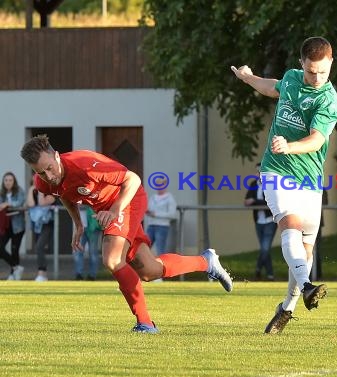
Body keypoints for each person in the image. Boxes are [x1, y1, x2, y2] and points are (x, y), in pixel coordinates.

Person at [20, 135, 233, 333]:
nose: (48, 176)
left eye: (49, 168)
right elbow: (63, 193)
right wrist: (78, 224)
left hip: (128, 199)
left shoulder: (85, 164)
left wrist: (115, 210)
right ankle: (206, 262)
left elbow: (133, 180)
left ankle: (145, 323)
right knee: (149, 270)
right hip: (109, 210)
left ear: (57, 156)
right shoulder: (44, 182)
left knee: (112, 259)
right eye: (41, 173)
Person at [231, 36, 337, 334]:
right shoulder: (292, 79)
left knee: (305, 251)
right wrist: (247, 77)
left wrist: (289, 146)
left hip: (309, 178)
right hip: (276, 171)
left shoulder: (329, 101)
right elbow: (271, 87)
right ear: (301, 63)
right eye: (311, 71)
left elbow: (317, 139)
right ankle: (307, 285)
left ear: (331, 63)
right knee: (290, 226)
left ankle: (288, 307)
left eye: (322, 71)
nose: (316, 77)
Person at [244, 162, 277, 281]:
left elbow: (271, 203)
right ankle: (270, 274)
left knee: (265, 248)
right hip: (258, 221)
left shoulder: (271, 185)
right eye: (257, 171)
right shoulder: (253, 184)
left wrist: (255, 201)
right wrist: (254, 201)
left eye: (260, 171)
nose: (258, 174)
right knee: (265, 249)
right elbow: (246, 202)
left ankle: (258, 269)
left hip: (270, 221)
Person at [27, 180, 56, 282]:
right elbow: (30, 204)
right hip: (36, 224)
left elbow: (41, 202)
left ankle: (41, 273)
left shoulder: (51, 193)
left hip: (47, 223)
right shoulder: (33, 191)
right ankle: (43, 274)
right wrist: (31, 190)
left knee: (39, 246)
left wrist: (40, 190)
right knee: (38, 248)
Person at [0, 172, 26, 281]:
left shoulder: (19, 191)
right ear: (3, 182)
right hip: (5, 226)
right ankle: (16, 267)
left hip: (17, 226)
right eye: (6, 180)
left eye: (10, 180)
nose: (8, 182)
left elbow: (20, 204)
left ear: (14, 181)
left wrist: (7, 204)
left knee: (14, 250)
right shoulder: (2, 193)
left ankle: (13, 274)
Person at [146, 183, 178, 257]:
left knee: (160, 248)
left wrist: (156, 214)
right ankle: (143, 265)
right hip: (151, 225)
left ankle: (162, 265)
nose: (160, 188)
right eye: (158, 186)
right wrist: (148, 212)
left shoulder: (170, 198)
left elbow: (172, 214)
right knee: (145, 247)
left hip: (162, 226)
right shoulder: (153, 197)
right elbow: (149, 208)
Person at [73, 206, 102, 280]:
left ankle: (92, 275)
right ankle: (78, 274)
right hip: (80, 226)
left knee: (93, 252)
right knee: (78, 250)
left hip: (93, 226)